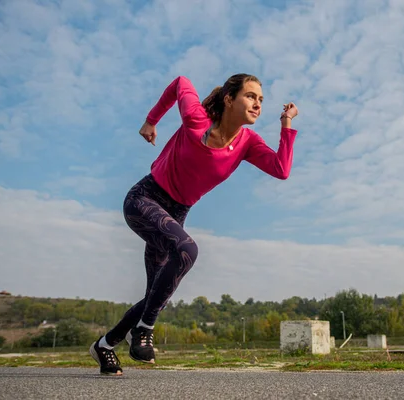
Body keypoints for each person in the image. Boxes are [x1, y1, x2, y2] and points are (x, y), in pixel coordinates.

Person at [89, 73, 299, 375]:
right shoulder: (195, 117)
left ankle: (106, 345)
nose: (257, 104)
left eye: (261, 100)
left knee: (154, 296)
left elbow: (281, 169)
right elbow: (180, 82)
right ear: (229, 99)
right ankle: (143, 330)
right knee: (187, 250)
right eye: (251, 96)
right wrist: (152, 120)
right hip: (144, 200)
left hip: (176, 214)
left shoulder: (248, 143)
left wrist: (286, 123)